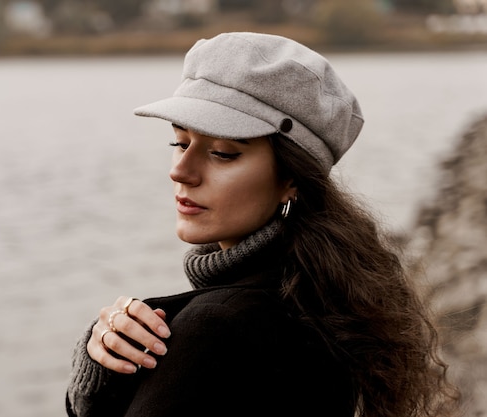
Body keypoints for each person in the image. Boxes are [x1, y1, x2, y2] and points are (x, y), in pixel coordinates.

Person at [65, 32, 460, 417]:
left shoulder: (219, 325)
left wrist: (92, 383)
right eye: (180, 143)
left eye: (222, 153)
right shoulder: (323, 297)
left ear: (291, 179)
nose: (181, 172)